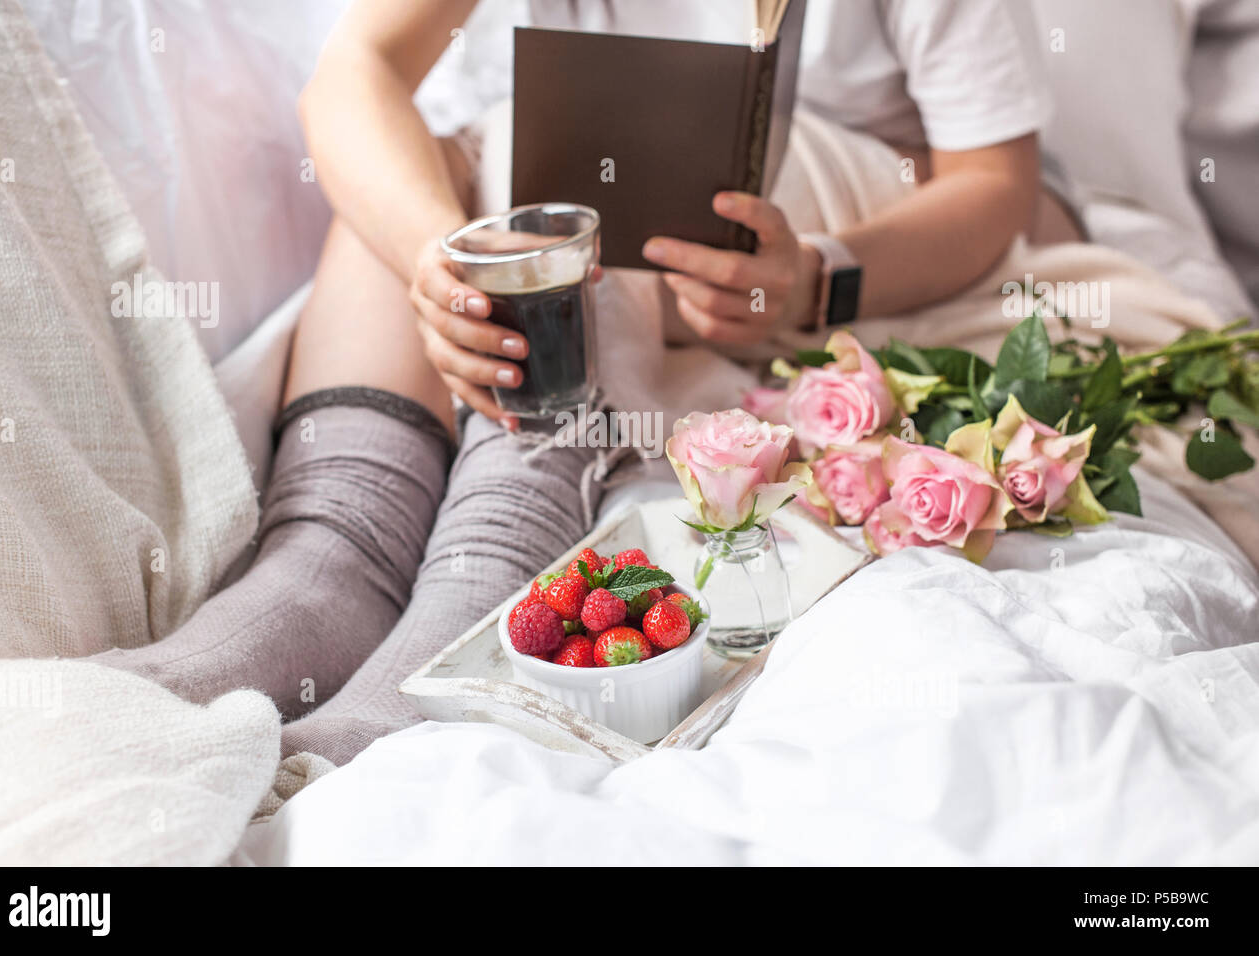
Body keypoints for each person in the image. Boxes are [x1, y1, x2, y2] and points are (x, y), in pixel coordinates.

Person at [101, 0, 1073, 765]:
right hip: (593, 225)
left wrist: (819, 276)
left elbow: (994, 185)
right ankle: (333, 560)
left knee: (538, 168)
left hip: (841, 223)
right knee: (435, 178)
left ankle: (457, 577)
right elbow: (353, 76)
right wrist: (437, 268)